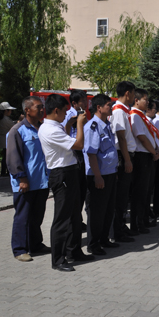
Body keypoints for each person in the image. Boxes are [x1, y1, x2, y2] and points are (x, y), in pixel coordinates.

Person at [38, 94, 93, 272]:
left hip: (70, 172)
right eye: (63, 112)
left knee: (75, 216)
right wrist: (78, 124)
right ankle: (58, 259)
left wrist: (70, 124)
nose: (65, 115)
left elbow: (66, 136)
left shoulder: (56, 126)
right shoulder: (49, 129)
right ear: (56, 111)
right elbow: (78, 144)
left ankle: (73, 250)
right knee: (62, 218)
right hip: (61, 174)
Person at [7, 96, 50, 262]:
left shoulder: (42, 128)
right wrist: (21, 178)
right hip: (26, 182)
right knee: (23, 217)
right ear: (27, 110)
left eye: (42, 107)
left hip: (42, 181)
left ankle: (36, 244)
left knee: (37, 216)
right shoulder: (17, 131)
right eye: (38, 107)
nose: (41, 110)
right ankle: (19, 249)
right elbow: (13, 158)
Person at [82, 94, 118, 255]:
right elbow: (91, 154)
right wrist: (97, 176)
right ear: (99, 107)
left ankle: (104, 239)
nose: (111, 108)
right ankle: (93, 244)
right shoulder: (93, 127)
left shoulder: (106, 124)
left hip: (110, 173)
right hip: (99, 175)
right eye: (109, 105)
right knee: (96, 211)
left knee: (108, 209)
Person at [130, 88, 159, 234]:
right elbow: (141, 137)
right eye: (145, 99)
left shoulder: (142, 116)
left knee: (147, 191)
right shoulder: (135, 116)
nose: (147, 102)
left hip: (149, 155)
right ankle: (137, 223)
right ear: (136, 100)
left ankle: (144, 219)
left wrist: (156, 149)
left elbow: (149, 135)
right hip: (142, 156)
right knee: (140, 192)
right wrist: (153, 151)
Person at [110, 81, 137, 243]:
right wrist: (127, 160)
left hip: (126, 154)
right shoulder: (119, 111)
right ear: (128, 93)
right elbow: (121, 137)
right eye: (133, 93)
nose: (134, 97)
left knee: (123, 196)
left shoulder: (124, 110)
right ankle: (117, 230)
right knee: (120, 197)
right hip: (122, 155)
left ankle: (120, 227)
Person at [61, 90, 89, 232]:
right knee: (76, 191)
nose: (86, 103)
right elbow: (66, 135)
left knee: (82, 190)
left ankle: (78, 220)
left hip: (83, 154)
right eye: (82, 101)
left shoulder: (83, 115)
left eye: (86, 100)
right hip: (74, 153)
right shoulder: (68, 116)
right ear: (74, 103)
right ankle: (73, 222)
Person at [0, 101, 17, 177]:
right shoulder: (5, 119)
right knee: (7, 157)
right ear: (6, 111)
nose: (11, 112)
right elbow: (13, 126)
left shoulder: (3, 118)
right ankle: (5, 172)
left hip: (4, 139)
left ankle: (4, 172)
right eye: (10, 110)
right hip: (6, 140)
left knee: (5, 156)